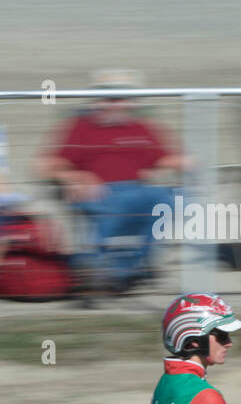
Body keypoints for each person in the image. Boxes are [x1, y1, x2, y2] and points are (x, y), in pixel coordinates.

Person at [35, 70, 186, 293]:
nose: (115, 104)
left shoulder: (142, 128)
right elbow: (44, 165)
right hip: (97, 192)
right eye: (108, 98)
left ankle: (118, 269)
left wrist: (192, 160)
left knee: (175, 200)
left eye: (121, 98)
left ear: (133, 102)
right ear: (97, 101)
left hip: (137, 190)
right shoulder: (80, 127)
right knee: (114, 208)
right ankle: (110, 271)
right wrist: (75, 176)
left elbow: (165, 159)